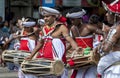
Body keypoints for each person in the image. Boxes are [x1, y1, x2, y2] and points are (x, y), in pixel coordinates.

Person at [26, 6, 80, 78]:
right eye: (44, 16)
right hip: (45, 60)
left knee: (56, 40)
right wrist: (31, 56)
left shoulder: (62, 27)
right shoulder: (44, 28)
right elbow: (40, 43)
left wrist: (77, 48)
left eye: (47, 16)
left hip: (57, 62)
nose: (45, 18)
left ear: (54, 17)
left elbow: (69, 39)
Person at [66, 8, 103, 78]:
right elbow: (72, 42)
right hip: (78, 57)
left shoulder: (89, 27)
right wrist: (64, 51)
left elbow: (104, 34)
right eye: (70, 19)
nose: (71, 21)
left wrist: (100, 45)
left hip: (89, 56)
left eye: (73, 19)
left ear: (79, 19)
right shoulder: (73, 29)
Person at [97, 1, 120, 78]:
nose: (106, 14)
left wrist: (105, 33)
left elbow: (106, 49)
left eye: (109, 12)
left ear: (116, 15)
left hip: (116, 66)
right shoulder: (115, 27)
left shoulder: (118, 28)